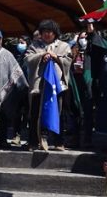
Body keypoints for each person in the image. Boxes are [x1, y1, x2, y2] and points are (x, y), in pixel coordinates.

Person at [25, 20, 72, 151]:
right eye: (44, 32)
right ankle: (34, 141)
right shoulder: (35, 45)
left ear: (55, 33)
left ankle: (59, 142)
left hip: (57, 86)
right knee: (35, 113)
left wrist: (55, 57)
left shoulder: (64, 46)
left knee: (59, 112)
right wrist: (42, 55)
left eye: (49, 32)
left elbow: (68, 61)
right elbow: (28, 60)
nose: (46, 34)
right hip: (38, 86)